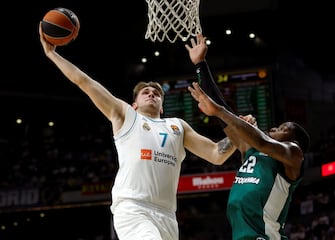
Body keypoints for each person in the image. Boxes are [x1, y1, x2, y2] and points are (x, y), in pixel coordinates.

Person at [38, 25, 238, 240]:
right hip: (133, 208)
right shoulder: (125, 115)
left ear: (162, 107)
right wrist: (52, 55)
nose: (151, 94)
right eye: (146, 92)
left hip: (167, 215)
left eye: (156, 94)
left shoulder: (178, 126)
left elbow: (217, 154)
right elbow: (84, 82)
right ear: (134, 104)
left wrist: (241, 131)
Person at [186, 33, 311, 240]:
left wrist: (218, 111)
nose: (274, 127)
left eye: (283, 127)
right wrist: (200, 64)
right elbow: (224, 112)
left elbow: (261, 140)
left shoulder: (293, 155)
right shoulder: (251, 150)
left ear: (293, 140)